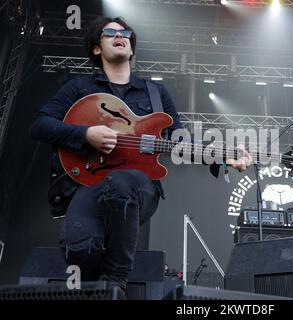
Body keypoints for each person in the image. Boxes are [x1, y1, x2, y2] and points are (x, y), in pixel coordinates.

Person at [30, 16, 251, 294]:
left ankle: (115, 283)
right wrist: (86, 135)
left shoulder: (155, 93)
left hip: (138, 187)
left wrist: (222, 154)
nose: (119, 35)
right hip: (89, 183)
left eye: (125, 33)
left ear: (132, 49)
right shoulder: (79, 88)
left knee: (122, 183)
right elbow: (39, 125)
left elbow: (178, 141)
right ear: (97, 48)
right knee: (79, 247)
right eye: (109, 33)